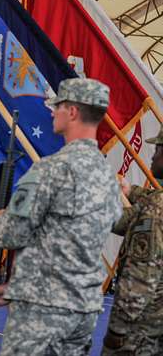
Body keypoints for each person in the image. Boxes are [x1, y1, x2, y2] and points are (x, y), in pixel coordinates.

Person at [0, 78, 123, 355]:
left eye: (57, 106)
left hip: (42, 310)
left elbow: (12, 233)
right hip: (84, 307)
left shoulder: (51, 169)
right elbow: (75, 237)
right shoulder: (109, 176)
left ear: (72, 112)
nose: (52, 112)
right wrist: (17, 285)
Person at [102, 129, 163, 355]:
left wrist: (117, 332)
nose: (153, 156)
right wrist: (130, 190)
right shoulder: (155, 202)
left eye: (158, 149)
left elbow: (141, 276)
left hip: (143, 330)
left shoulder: (155, 210)